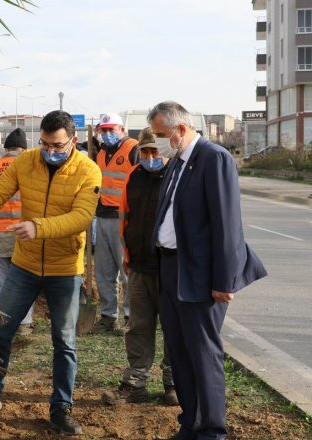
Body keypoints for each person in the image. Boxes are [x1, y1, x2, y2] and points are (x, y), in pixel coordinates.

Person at [0, 110, 101, 436]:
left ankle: (61, 409)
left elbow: (82, 217)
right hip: (24, 266)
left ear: (72, 141)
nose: (50, 151)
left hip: (65, 270)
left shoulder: (88, 171)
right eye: (44, 143)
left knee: (64, 341)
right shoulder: (25, 161)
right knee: (0, 331)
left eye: (57, 146)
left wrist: (37, 227)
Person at [148, 101, 267, 440]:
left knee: (203, 354)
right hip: (171, 269)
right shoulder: (176, 163)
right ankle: (192, 423)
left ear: (181, 130)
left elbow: (227, 225)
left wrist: (224, 280)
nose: (157, 142)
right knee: (180, 352)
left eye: (161, 135)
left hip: (201, 277)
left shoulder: (213, 158)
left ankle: (212, 430)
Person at [102, 128, 178, 406]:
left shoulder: (178, 177)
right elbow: (125, 218)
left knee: (173, 327)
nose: (148, 157)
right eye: (144, 152)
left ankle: (173, 385)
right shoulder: (132, 177)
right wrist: (126, 253)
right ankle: (135, 385)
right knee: (138, 327)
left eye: (154, 151)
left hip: (170, 268)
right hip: (138, 266)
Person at [0, 128, 34, 335]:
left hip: (1, 233)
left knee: (1, 280)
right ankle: (24, 323)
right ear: (23, 149)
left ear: (7, 148)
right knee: (26, 279)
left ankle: (0, 320)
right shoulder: (29, 167)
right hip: (25, 234)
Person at [93, 112, 140, 333]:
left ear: (121, 130)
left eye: (112, 129)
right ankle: (108, 317)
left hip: (123, 218)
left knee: (126, 270)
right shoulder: (101, 151)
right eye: (104, 130)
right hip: (102, 215)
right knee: (103, 271)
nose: (108, 133)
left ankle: (132, 317)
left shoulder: (133, 149)